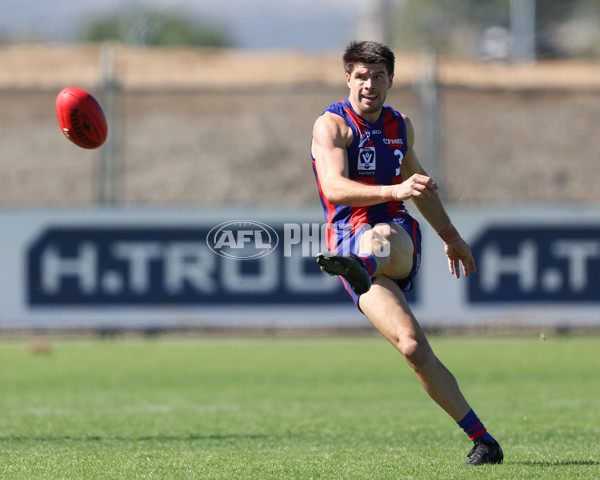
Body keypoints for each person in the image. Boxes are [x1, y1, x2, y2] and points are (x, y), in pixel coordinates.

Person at [311, 40, 503, 466]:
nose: (369, 85)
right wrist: (393, 188)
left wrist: (451, 236)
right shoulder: (332, 125)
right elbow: (333, 188)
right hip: (347, 239)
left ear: (391, 81)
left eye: (379, 76)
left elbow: (419, 185)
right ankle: (484, 440)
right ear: (348, 78)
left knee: (380, 236)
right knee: (413, 346)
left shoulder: (401, 126)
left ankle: (360, 266)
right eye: (361, 76)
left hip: (393, 236)